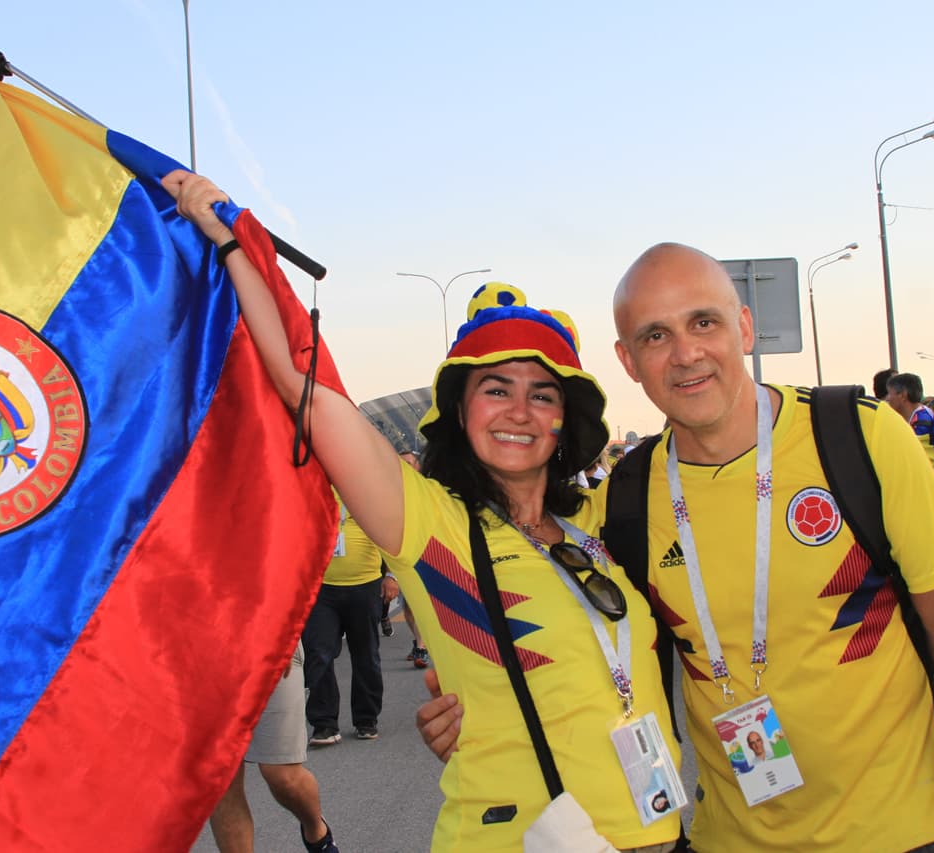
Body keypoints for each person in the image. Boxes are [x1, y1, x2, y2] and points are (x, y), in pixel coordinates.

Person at [422, 243, 934, 852]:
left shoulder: (860, 438)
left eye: (703, 322)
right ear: (628, 361)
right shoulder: (624, 501)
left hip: (904, 835)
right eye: (655, 336)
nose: (686, 354)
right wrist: (468, 698)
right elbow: (567, 620)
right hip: (725, 841)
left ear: (744, 326)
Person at [164, 169, 684, 853]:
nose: (520, 412)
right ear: (459, 411)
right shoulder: (429, 520)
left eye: (542, 394)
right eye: (496, 389)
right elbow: (306, 389)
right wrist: (232, 243)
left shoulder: (600, 520)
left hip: (661, 831)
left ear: (567, 418)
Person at [208, 643, 339, 853]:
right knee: (222, 783)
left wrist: (281, 632)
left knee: (281, 774)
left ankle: (316, 831)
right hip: (204, 657)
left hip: (269, 643)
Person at [303, 500, 397, 744]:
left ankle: (366, 719)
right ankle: (324, 724)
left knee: (365, 655)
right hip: (320, 588)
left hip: (365, 585)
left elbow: (388, 532)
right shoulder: (313, 487)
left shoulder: (359, 486)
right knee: (317, 653)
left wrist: (391, 575)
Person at [886, 372, 934, 516]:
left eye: (890, 394)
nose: (887, 399)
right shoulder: (917, 416)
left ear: (902, 395)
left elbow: (912, 454)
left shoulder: (921, 419)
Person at [395, 450, 431, 669]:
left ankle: (422, 647)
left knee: (420, 603)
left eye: (409, 463)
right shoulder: (392, 491)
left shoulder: (427, 490)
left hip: (425, 553)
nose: (406, 467)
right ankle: (418, 641)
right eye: (402, 463)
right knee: (407, 607)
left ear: (418, 466)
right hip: (401, 555)